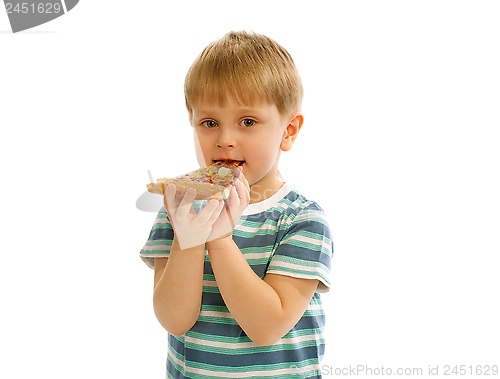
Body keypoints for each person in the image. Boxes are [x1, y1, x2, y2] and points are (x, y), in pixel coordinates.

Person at [140, 30, 333, 379]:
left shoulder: (302, 219)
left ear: (288, 131)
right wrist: (190, 240)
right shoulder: (180, 207)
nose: (225, 139)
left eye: (247, 122)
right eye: (209, 123)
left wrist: (219, 238)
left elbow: (267, 327)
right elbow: (174, 319)